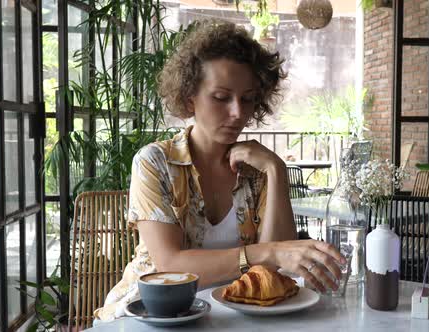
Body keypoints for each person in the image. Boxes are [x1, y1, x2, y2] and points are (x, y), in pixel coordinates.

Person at [93, 20, 345, 322]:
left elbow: (272, 270)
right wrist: (266, 252)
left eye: (248, 98)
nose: (238, 112)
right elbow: (170, 264)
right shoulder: (154, 162)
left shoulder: (258, 171)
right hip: (148, 315)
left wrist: (276, 170)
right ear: (190, 98)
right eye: (221, 97)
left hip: (229, 316)